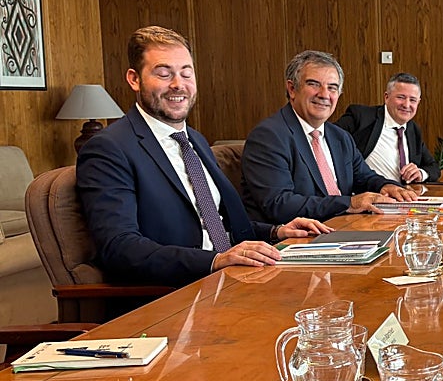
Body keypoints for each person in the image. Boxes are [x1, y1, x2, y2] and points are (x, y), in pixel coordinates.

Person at [76, 26, 330, 287]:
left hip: (235, 279)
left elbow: (217, 226)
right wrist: (214, 261)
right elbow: (120, 247)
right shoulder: (108, 149)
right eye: (163, 74)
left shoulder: (194, 139)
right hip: (177, 293)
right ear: (134, 79)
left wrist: (278, 230)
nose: (178, 84)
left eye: (186, 73)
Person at [242, 50, 419, 223]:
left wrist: (385, 186)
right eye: (313, 84)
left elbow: (365, 177)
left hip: (344, 228)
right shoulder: (269, 136)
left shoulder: (340, 136)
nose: (324, 94)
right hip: (296, 238)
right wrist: (350, 203)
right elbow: (279, 204)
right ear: (292, 89)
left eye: (332, 88)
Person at [335, 72, 441, 184]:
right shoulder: (361, 117)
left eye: (413, 100)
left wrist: (420, 173)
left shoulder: (413, 129)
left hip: (405, 196)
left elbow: (433, 167)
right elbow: (329, 139)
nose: (406, 105)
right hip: (367, 194)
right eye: (401, 97)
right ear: (386, 97)